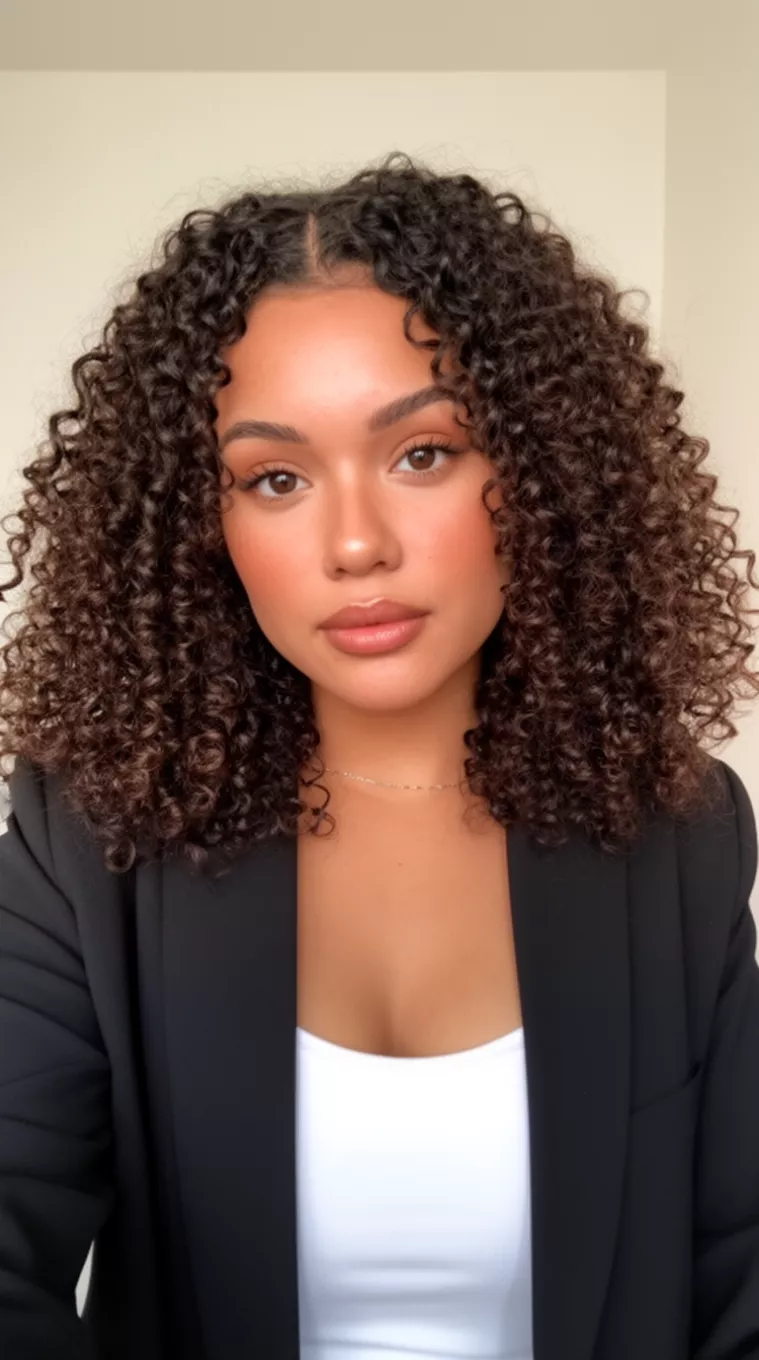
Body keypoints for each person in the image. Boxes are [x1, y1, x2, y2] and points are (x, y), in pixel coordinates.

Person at [0, 149, 758, 1360]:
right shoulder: (90, 833)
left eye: (422, 454)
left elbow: (742, 1279)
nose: (355, 543)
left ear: (542, 471)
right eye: (277, 476)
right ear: (207, 524)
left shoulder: (683, 830)